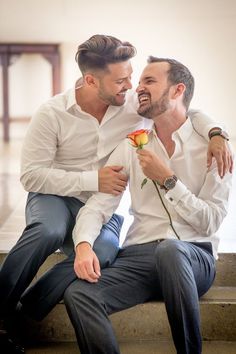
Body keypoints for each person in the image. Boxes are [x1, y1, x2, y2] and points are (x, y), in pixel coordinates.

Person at [0, 35, 232, 352]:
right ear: (92, 81)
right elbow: (40, 179)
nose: (132, 87)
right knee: (56, 247)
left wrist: (216, 135)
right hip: (60, 199)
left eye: (139, 79)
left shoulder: (200, 144)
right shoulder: (58, 115)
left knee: (119, 251)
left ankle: (29, 307)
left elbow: (186, 109)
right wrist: (86, 225)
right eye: (123, 80)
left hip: (168, 240)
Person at [59, 57, 233, 354]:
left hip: (193, 257)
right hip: (140, 257)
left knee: (170, 251)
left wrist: (169, 181)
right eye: (139, 81)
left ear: (178, 90)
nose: (138, 87)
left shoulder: (214, 149)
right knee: (79, 293)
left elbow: (210, 222)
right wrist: (84, 244)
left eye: (149, 81)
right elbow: (100, 203)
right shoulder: (131, 145)